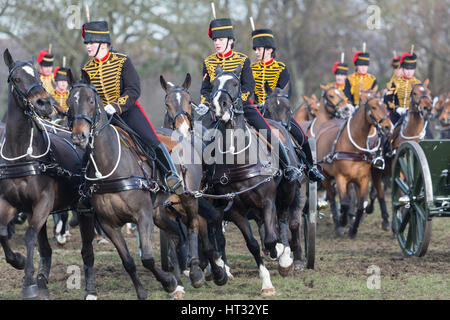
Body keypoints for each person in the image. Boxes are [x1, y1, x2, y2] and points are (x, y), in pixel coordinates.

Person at [81, 20, 183, 194]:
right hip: (101, 118)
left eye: (91, 43)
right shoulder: (87, 68)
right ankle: (84, 190)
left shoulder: (122, 61)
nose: (88, 47)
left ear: (103, 44)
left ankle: (170, 175)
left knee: (151, 140)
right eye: (87, 43)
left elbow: (134, 90)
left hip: (127, 112)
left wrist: (116, 105)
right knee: (85, 148)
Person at [197, 18, 301, 182]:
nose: (217, 43)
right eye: (215, 40)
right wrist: (205, 103)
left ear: (230, 41)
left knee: (267, 132)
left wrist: (236, 102)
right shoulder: (208, 62)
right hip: (216, 109)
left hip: (241, 106)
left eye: (221, 39)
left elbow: (248, 86)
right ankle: (203, 178)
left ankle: (287, 167)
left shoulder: (242, 60)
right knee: (198, 138)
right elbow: (205, 88)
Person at [250, 28, 323, 181]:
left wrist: (271, 102)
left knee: (301, 136)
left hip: (277, 112)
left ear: (269, 50)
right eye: (255, 49)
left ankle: (311, 168)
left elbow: (285, 93)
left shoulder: (281, 69)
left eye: (259, 49)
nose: (256, 52)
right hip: (256, 112)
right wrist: (254, 104)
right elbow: (248, 92)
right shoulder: (251, 69)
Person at [384, 52, 422, 125]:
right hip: (396, 116)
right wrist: (397, 109)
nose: (409, 72)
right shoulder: (395, 83)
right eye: (407, 69)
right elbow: (387, 99)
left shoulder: (418, 83)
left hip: (413, 115)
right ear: (403, 69)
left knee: (426, 131)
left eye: (411, 69)